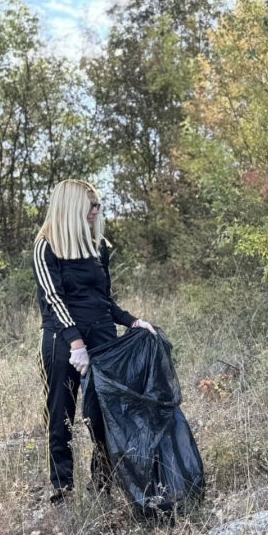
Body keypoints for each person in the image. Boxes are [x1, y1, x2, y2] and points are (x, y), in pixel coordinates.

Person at [33, 179, 156, 503]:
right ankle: (62, 490)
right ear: (72, 207)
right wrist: (75, 343)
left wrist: (132, 321)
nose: (97, 210)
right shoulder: (47, 245)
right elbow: (53, 298)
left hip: (102, 338)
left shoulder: (98, 246)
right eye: (91, 205)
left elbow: (104, 299)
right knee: (60, 415)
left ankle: (102, 486)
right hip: (63, 341)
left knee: (105, 414)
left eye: (98, 204)